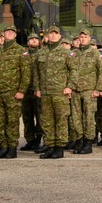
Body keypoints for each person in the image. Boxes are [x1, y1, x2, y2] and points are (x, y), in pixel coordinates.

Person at [0, 25, 31, 159]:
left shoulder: (21, 51)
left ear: (15, 35)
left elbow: (26, 73)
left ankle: (12, 148)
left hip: (13, 92)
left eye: (12, 32)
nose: (9, 34)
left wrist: (21, 90)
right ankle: (3, 146)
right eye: (7, 32)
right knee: (0, 121)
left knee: (12, 121)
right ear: (3, 34)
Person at [34, 26, 77, 160]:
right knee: (47, 121)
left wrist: (69, 86)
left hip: (60, 92)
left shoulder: (66, 52)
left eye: (55, 34)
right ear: (47, 36)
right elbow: (36, 72)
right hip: (45, 92)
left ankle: (59, 148)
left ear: (59, 36)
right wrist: (37, 88)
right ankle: (50, 146)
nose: (53, 36)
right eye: (50, 34)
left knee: (61, 120)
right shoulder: (41, 53)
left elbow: (74, 70)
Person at [70, 29, 102, 154]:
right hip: (75, 90)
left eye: (85, 37)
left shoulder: (95, 53)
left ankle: (88, 142)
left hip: (89, 90)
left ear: (89, 38)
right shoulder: (73, 53)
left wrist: (99, 89)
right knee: (76, 117)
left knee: (89, 117)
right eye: (81, 37)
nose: (83, 39)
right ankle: (79, 140)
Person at [19, 33, 44, 152]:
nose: (33, 41)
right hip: (25, 90)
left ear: (39, 41)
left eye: (36, 39)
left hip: (38, 90)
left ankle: (38, 139)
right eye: (31, 39)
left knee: (39, 116)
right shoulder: (23, 54)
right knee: (27, 116)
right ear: (28, 42)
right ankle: (30, 140)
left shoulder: (43, 53)